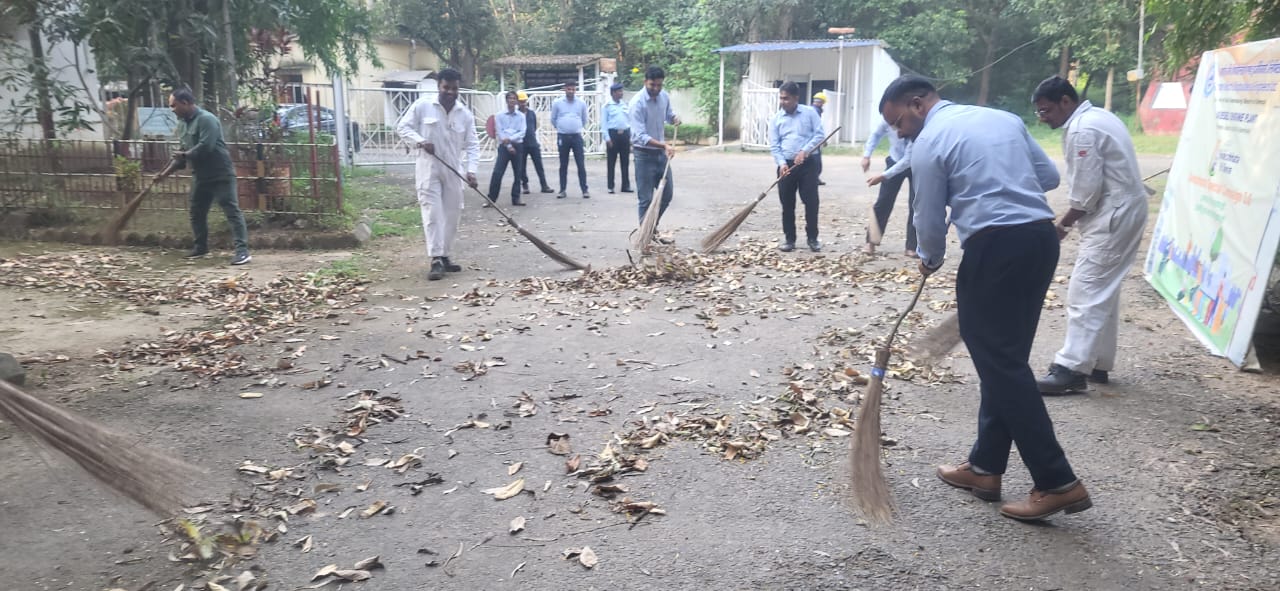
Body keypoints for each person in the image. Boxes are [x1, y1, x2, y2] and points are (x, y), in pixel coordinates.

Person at [879, 75, 1091, 522]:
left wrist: (930, 258)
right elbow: (1049, 177)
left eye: (897, 122)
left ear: (917, 105)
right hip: (1039, 239)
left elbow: (928, 216)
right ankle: (984, 467)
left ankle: (1057, 481)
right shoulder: (1003, 117)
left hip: (995, 248)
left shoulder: (929, 141)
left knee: (1000, 362)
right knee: (1005, 358)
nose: (898, 133)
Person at [1031, 76, 1149, 394]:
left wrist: (1062, 226)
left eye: (1046, 111)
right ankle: (1098, 362)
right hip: (1125, 208)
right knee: (1104, 290)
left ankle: (1071, 369)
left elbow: (1086, 193)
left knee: (1086, 290)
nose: (1043, 119)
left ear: (1065, 102)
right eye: (1039, 113)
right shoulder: (1100, 116)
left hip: (1113, 215)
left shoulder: (1083, 129)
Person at [396, 68, 480, 281]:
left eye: (454, 88)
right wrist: (421, 142)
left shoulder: (465, 114)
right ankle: (435, 259)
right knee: (433, 213)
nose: (450, 92)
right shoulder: (423, 106)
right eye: (446, 88)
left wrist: (471, 171)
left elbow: (473, 145)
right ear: (438, 87)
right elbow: (403, 127)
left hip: (454, 170)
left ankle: (445, 255)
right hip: (429, 168)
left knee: (452, 214)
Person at [164, 88, 251, 265]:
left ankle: (243, 251)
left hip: (220, 173)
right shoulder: (182, 124)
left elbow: (205, 147)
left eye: (174, 106)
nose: (172, 109)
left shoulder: (207, 119)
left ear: (185, 103)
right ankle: (201, 247)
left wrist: (185, 156)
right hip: (200, 175)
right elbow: (182, 155)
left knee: (231, 210)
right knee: (197, 212)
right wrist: (164, 174)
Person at [768, 82, 826, 252]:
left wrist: (805, 151)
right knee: (787, 203)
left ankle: (813, 238)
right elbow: (774, 145)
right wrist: (782, 163)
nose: (782, 101)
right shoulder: (776, 119)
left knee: (811, 202)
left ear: (795, 98)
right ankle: (789, 239)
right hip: (786, 166)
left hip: (808, 164)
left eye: (786, 98)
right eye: (781, 98)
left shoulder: (810, 113)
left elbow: (820, 135)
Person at [629, 66, 680, 238]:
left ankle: (650, 227)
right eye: (652, 85)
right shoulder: (637, 103)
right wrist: (664, 146)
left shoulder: (664, 97)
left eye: (659, 85)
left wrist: (674, 118)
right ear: (645, 82)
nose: (656, 89)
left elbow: (668, 114)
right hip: (643, 155)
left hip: (661, 155)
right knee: (646, 199)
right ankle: (645, 236)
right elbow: (640, 136)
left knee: (667, 195)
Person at [862, 119, 915, 256]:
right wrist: (867, 155)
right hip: (894, 159)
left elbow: (907, 160)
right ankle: (871, 241)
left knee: (916, 204)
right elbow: (875, 135)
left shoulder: (916, 124)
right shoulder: (888, 118)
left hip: (916, 163)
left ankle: (912, 246)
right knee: (883, 202)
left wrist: (883, 176)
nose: (898, 133)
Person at [551, 80, 589, 199]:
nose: (571, 91)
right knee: (563, 164)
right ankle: (562, 190)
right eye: (569, 89)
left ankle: (584, 190)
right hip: (563, 137)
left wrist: (575, 127)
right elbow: (553, 119)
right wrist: (562, 127)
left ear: (575, 90)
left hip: (576, 137)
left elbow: (584, 119)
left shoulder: (581, 103)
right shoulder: (557, 103)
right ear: (565, 89)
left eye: (573, 89)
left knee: (581, 164)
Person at [487, 91, 526, 206]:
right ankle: (491, 199)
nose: (512, 100)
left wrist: (511, 140)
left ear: (517, 101)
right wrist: (508, 145)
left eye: (514, 98)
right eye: (510, 98)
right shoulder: (499, 115)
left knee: (518, 173)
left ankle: (516, 198)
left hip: (517, 145)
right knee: (497, 172)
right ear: (506, 100)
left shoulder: (521, 116)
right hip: (504, 147)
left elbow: (522, 132)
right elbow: (499, 131)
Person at [517, 92, 553, 195]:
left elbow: (535, 126)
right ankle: (525, 185)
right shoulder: (516, 114)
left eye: (524, 101)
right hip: (521, 143)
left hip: (533, 143)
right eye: (521, 102)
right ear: (517, 102)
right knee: (521, 166)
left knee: (539, 165)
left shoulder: (531, 113)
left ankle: (544, 185)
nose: (523, 104)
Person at [603, 82, 633, 194]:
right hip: (613, 135)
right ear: (613, 93)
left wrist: (630, 136)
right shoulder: (607, 106)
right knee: (611, 162)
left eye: (622, 91)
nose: (621, 93)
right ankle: (610, 186)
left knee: (625, 162)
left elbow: (629, 120)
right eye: (619, 91)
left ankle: (625, 185)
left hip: (624, 134)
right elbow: (604, 124)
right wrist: (607, 138)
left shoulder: (625, 105)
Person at [810, 91, 827, 185]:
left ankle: (815, 178)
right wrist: (822, 139)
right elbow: (817, 127)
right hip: (814, 140)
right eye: (823, 103)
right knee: (816, 161)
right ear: (821, 102)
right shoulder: (815, 111)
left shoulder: (812, 110)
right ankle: (814, 178)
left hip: (812, 140)